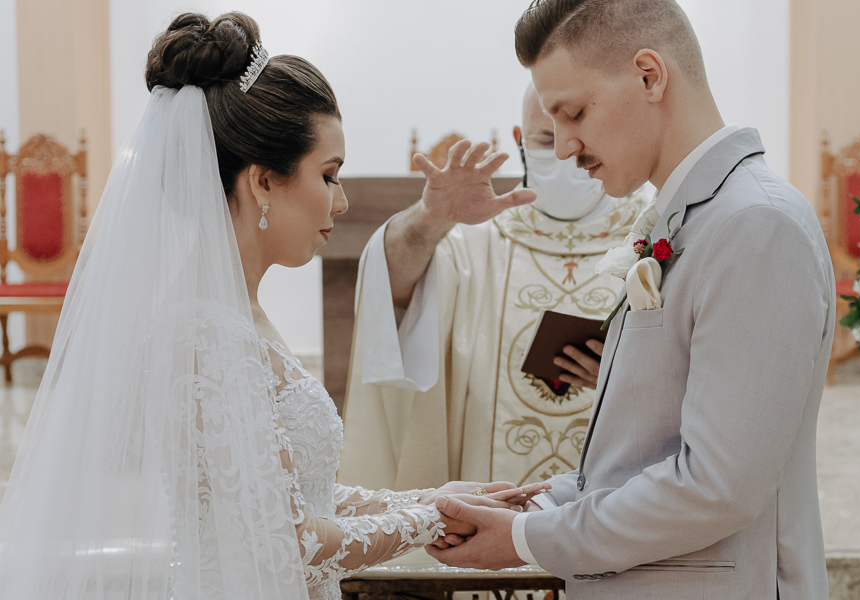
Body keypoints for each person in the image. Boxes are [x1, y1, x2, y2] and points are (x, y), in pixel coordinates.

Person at [0, 12, 546, 600]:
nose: (341, 202)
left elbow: (294, 493)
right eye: (329, 175)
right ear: (262, 181)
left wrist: (430, 497)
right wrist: (430, 520)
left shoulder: (234, 312)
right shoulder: (209, 329)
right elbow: (294, 538)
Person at [426, 1, 835, 599]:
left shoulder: (756, 226)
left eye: (573, 113)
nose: (564, 148)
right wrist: (534, 503)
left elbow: (718, 487)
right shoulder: (690, 219)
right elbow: (644, 453)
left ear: (650, 75)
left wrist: (526, 539)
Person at [339, 85, 652, 492]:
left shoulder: (656, 237)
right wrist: (429, 219)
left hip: (615, 519)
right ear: (519, 141)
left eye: (578, 134)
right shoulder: (473, 245)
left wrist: (622, 377)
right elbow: (391, 293)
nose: (561, 152)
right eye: (544, 139)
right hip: (493, 530)